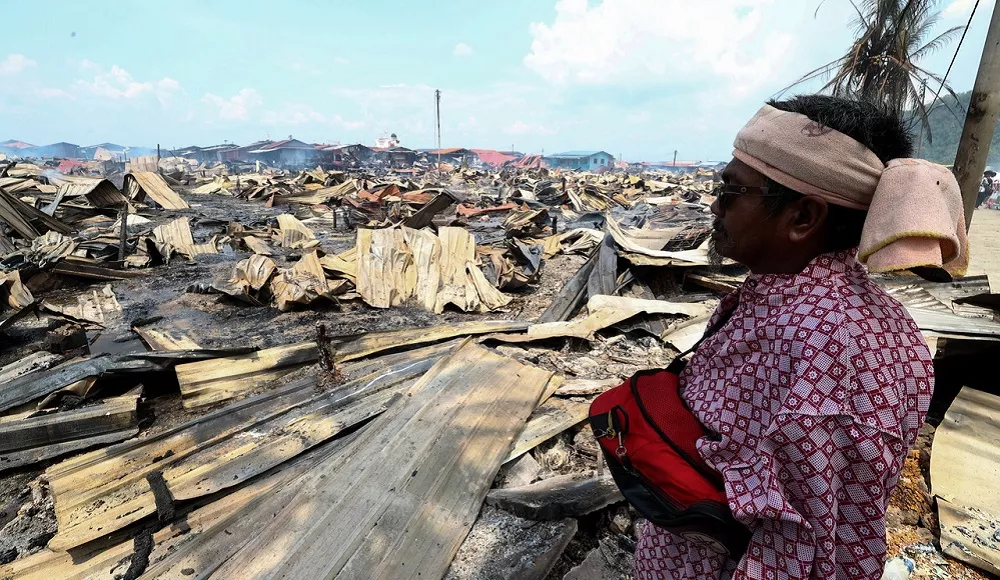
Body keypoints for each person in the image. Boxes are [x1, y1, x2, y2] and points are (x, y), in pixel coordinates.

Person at [634, 95, 967, 579]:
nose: (714, 205)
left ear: (803, 218)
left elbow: (804, 543)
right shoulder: (793, 304)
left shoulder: (817, 344)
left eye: (731, 191)